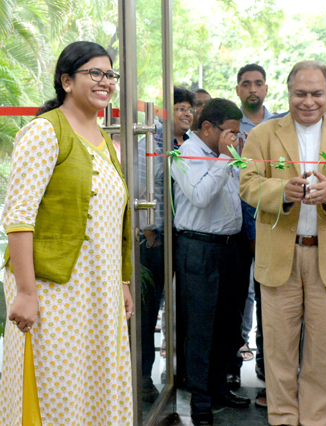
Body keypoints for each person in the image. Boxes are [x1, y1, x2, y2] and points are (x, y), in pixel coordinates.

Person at [0, 41, 133, 424]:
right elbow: (19, 218)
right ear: (66, 81)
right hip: (52, 290)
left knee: (97, 385)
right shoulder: (45, 132)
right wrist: (26, 292)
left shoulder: (104, 139)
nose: (105, 81)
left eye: (110, 74)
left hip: (98, 290)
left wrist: (122, 281)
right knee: (54, 387)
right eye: (94, 72)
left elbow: (113, 219)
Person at [239, 60, 326, 426]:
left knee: (324, 350)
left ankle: (318, 419)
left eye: (317, 94)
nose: (308, 101)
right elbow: (248, 183)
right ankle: (282, 418)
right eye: (300, 93)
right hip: (279, 252)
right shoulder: (264, 134)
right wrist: (281, 191)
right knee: (279, 348)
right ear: (288, 92)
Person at [172, 98, 252, 426]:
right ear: (208, 128)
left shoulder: (227, 155)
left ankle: (219, 387)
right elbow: (201, 197)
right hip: (199, 247)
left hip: (232, 247)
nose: (235, 139)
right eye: (230, 132)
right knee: (201, 327)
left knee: (228, 324)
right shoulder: (184, 154)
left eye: (238, 133)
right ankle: (199, 400)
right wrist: (223, 159)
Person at [138, 85, 196, 403]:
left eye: (190, 108)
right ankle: (142, 377)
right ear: (164, 111)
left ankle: (174, 372)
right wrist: (148, 230)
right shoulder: (150, 138)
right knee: (147, 312)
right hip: (154, 239)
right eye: (181, 107)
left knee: (182, 308)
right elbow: (142, 184)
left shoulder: (188, 143)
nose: (187, 114)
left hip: (182, 237)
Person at [233, 63, 274, 393]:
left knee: (268, 297)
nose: (252, 89)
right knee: (235, 298)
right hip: (235, 227)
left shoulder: (279, 127)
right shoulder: (231, 127)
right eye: (246, 84)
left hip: (273, 226)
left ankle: (266, 363)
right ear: (237, 90)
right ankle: (234, 364)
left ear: (266, 89)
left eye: (258, 83)